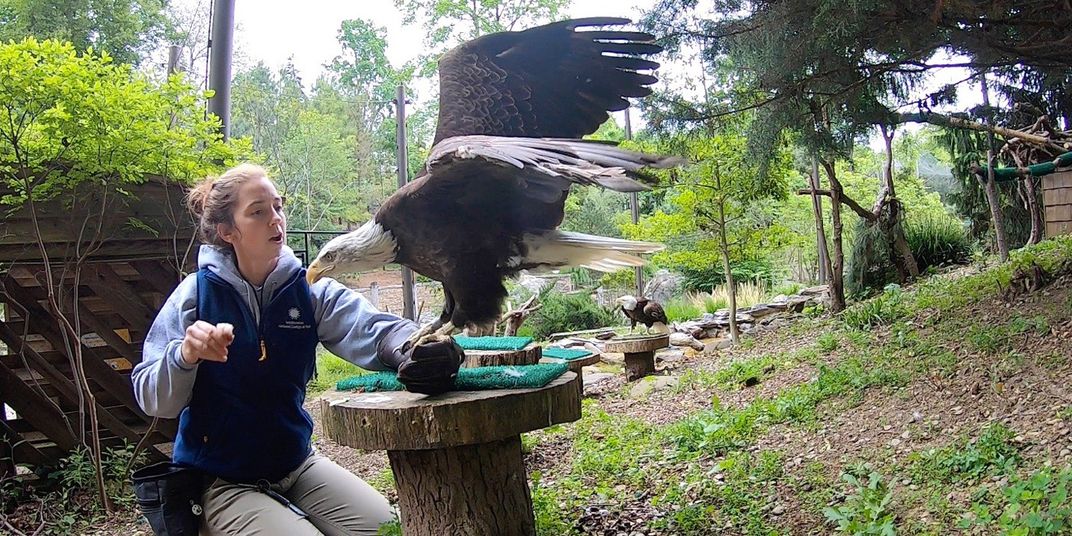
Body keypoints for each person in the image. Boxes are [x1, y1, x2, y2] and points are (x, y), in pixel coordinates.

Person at [132, 163, 463, 535]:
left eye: (278, 206)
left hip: (297, 465)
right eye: (258, 211)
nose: (275, 219)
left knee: (388, 529)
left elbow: (370, 329)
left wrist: (415, 348)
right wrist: (184, 355)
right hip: (220, 481)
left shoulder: (307, 291)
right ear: (228, 232)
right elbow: (153, 399)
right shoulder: (195, 297)